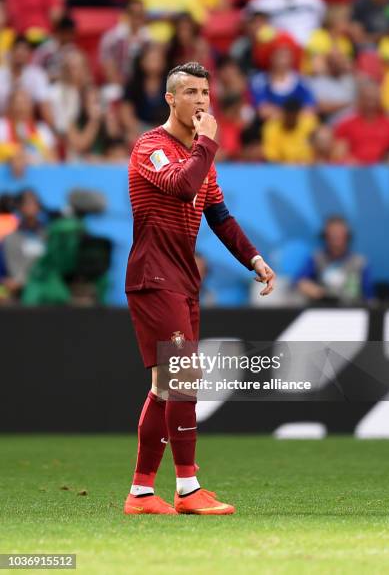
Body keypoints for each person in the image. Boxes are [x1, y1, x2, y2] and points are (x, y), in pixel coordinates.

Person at [124, 61, 275, 515]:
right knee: (183, 380)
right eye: (190, 92)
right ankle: (188, 489)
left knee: (165, 387)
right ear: (171, 99)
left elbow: (220, 217)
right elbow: (180, 183)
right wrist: (207, 142)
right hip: (154, 277)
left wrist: (254, 258)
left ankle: (142, 493)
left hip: (183, 280)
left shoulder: (200, 157)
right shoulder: (151, 147)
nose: (201, 101)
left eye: (205, 93)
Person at [296, 215, 373, 304]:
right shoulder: (317, 258)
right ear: (325, 236)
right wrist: (315, 291)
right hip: (324, 309)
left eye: (339, 234)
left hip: (353, 309)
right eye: (332, 234)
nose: (335, 237)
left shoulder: (360, 262)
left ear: (347, 236)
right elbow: (299, 282)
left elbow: (369, 295)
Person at [335, 79, 389, 165]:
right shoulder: (346, 125)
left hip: (384, 172)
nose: (370, 103)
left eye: (373, 99)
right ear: (359, 100)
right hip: (355, 172)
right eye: (367, 99)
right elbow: (339, 154)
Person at [1, 189, 46, 301]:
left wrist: (23, 282)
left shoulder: (48, 237)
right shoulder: (9, 239)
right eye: (26, 204)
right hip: (13, 287)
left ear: (39, 207)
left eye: (33, 203)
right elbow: (6, 269)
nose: (30, 208)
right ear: (19, 208)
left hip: (41, 285)